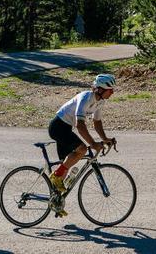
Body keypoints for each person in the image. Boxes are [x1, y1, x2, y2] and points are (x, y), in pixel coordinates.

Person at [47, 73, 116, 215]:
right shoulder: (86, 97)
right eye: (110, 90)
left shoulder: (100, 101)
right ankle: (56, 175)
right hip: (58, 126)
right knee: (82, 149)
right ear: (100, 89)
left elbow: (97, 122)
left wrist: (104, 139)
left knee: (66, 165)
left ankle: (56, 202)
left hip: (67, 128)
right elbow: (80, 125)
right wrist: (93, 143)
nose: (112, 92)